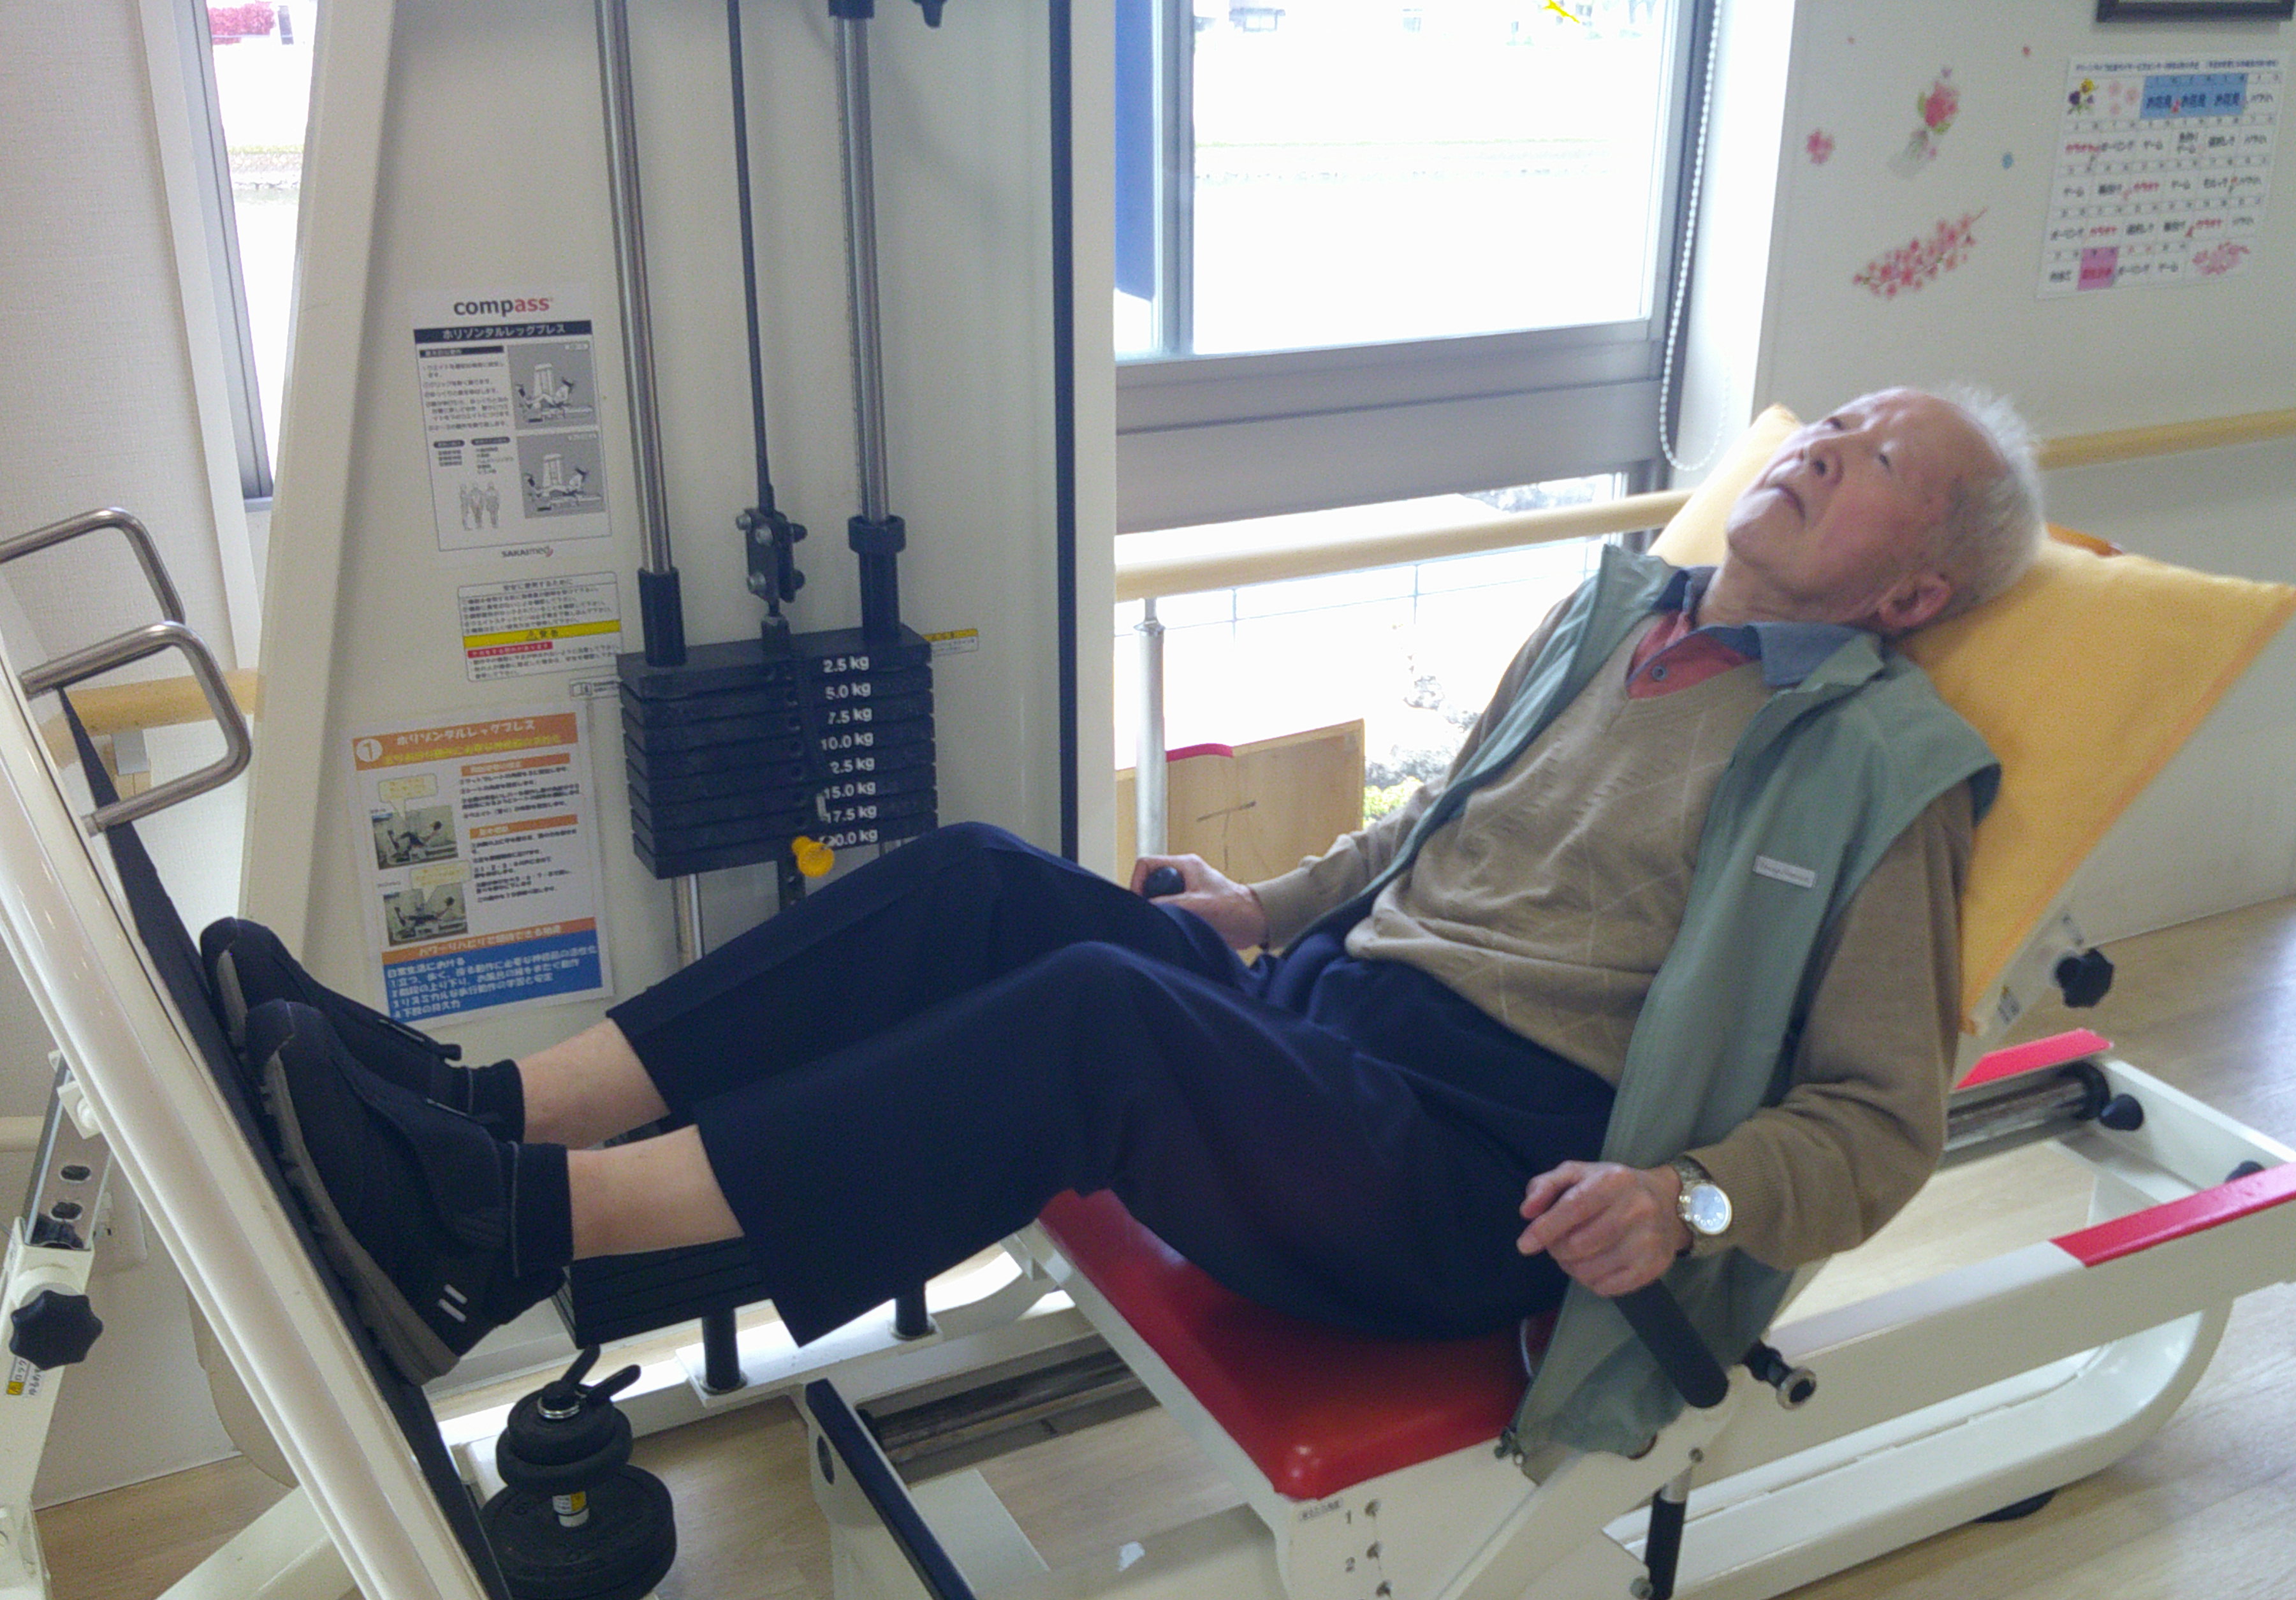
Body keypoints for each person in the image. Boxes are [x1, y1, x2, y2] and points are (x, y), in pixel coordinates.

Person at [223, 387, 2042, 1452]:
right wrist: (1262, 906)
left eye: (1883, 457)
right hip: (1327, 1027)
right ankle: (489, 1110)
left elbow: (1883, 1122)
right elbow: (1440, 831)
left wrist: (1688, 1200)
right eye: (1838, 418)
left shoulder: (1883, 771)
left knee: (1096, 1012)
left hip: (1477, 1177)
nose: (1829, 443)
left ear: (1914, 589)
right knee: (979, 879)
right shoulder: (1613, 614)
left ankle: (509, 1234)